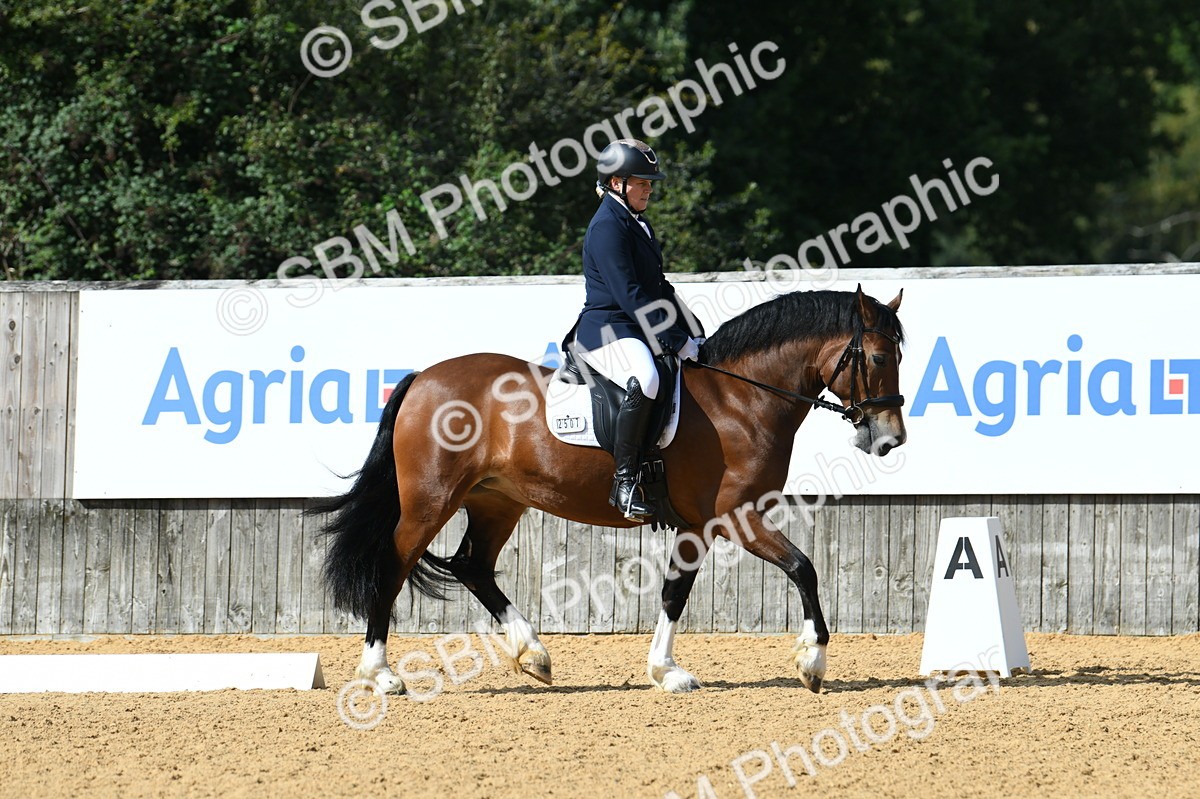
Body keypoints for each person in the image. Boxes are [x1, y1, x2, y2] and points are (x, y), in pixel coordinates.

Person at [561, 139, 705, 521]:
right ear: (615, 182)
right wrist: (674, 339)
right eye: (641, 182)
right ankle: (624, 484)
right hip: (606, 330)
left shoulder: (636, 222)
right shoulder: (607, 226)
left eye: (649, 182)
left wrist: (694, 331)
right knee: (646, 378)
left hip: (632, 327)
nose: (649, 188)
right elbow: (629, 294)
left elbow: (660, 288)